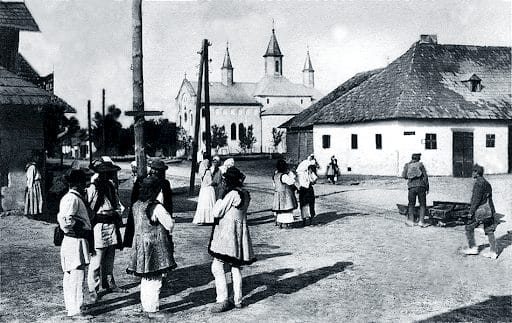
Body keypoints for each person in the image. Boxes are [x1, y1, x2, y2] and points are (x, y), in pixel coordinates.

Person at [126, 176, 177, 316]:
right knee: (155, 278)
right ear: (155, 190)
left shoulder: (136, 204)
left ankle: (146, 306)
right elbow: (169, 224)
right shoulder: (156, 206)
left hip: (140, 244)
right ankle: (152, 309)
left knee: (145, 278)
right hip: (154, 245)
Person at [208, 167, 256, 313]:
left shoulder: (232, 194)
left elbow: (217, 212)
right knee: (235, 267)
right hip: (240, 233)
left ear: (227, 180)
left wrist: (221, 196)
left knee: (217, 266)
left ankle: (222, 299)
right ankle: (238, 300)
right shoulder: (245, 193)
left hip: (227, 234)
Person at [87, 161, 126, 302]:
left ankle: (109, 283)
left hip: (111, 225)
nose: (110, 175)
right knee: (97, 260)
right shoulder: (93, 188)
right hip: (99, 226)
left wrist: (116, 213)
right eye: (107, 173)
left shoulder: (111, 186)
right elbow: (88, 208)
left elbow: (117, 204)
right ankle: (93, 288)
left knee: (110, 257)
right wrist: (97, 216)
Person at [57, 169, 94, 319]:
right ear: (77, 183)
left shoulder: (73, 197)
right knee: (76, 275)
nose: (85, 185)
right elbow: (66, 219)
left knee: (71, 274)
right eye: (83, 182)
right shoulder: (72, 199)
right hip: (75, 240)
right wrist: (75, 227)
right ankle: (76, 310)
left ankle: (71, 307)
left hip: (74, 240)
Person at [463, 164, 498, 259]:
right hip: (489, 210)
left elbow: (476, 200)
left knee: (469, 227)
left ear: (476, 173)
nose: (472, 173)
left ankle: (473, 248)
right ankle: (493, 252)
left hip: (480, 210)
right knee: (489, 230)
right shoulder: (487, 183)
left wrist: (471, 212)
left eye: (473, 172)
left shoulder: (478, 184)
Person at [402, 153, 429, 227]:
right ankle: (421, 221)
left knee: (411, 204)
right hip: (421, 186)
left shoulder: (407, 165)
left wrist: (411, 176)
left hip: (411, 187)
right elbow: (425, 177)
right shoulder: (421, 165)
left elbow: (404, 176)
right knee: (422, 204)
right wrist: (427, 187)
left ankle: (411, 221)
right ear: (418, 158)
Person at [272, 159, 298, 229]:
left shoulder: (275, 175)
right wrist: (292, 175)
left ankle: (280, 223)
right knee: (287, 209)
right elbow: (291, 182)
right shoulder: (284, 176)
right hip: (285, 195)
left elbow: (274, 185)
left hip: (278, 194)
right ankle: (287, 224)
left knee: (280, 210)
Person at [296, 155, 318, 226]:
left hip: (308, 189)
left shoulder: (309, 173)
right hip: (304, 189)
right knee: (304, 205)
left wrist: (312, 178)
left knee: (310, 204)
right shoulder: (301, 173)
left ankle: (309, 219)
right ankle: (305, 220)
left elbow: (314, 179)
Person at [193, 159, 216, 225]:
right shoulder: (208, 172)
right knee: (209, 203)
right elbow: (210, 182)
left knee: (203, 204)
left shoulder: (202, 173)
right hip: (208, 189)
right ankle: (209, 219)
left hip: (203, 190)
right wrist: (215, 183)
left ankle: (203, 218)